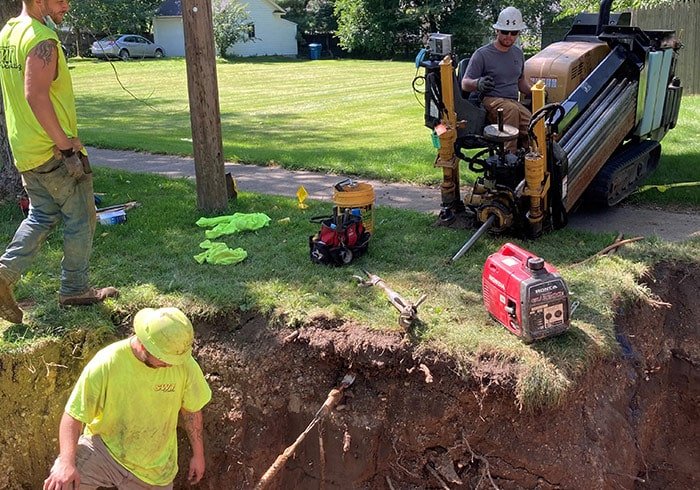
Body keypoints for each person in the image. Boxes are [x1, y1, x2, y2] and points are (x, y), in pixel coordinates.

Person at [0, 0, 118, 325]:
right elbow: (35, 95)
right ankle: (75, 289)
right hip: (52, 152)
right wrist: (67, 147)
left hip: (25, 150)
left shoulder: (10, 32)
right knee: (82, 215)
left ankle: (4, 275)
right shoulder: (42, 40)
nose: (67, 3)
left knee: (41, 215)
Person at [43, 307, 213, 489]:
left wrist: (198, 454)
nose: (170, 364)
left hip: (155, 470)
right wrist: (66, 463)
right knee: (63, 484)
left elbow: (192, 410)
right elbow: (74, 415)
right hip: (104, 450)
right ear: (144, 344)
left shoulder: (182, 364)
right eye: (164, 359)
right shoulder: (108, 362)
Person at [462, 6, 532, 154]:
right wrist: (478, 83)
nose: (509, 36)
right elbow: (465, 83)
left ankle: (529, 158)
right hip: (490, 99)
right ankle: (508, 156)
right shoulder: (482, 54)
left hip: (512, 101)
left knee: (535, 124)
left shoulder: (518, 54)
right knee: (511, 110)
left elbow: (521, 82)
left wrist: (537, 92)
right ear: (497, 31)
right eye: (505, 32)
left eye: (514, 33)